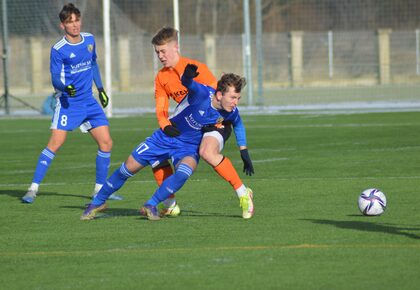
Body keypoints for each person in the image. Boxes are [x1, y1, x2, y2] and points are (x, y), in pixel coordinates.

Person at [81, 64, 254, 221]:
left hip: (188, 148)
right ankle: (97, 202)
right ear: (219, 94)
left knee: (184, 172)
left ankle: (152, 204)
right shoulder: (202, 94)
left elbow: (237, 123)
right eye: (233, 97)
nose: (235, 102)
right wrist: (187, 75)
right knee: (127, 169)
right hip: (165, 138)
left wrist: (243, 150)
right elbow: (188, 83)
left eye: (238, 98)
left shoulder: (229, 110)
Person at [22, 3, 121, 203]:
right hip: (69, 103)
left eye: (77, 20)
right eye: (70, 22)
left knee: (106, 142)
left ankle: (99, 191)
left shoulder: (90, 40)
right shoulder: (59, 49)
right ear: (62, 26)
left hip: (90, 103)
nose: (74, 25)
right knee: (55, 144)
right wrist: (65, 87)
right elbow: (55, 78)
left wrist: (100, 89)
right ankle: (32, 189)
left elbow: (93, 63)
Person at [150, 27, 254, 217]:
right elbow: (161, 107)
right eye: (157, 52)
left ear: (175, 48)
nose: (160, 56)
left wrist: (243, 149)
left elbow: (218, 98)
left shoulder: (197, 68)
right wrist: (164, 124)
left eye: (163, 51)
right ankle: (170, 204)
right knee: (156, 155)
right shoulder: (162, 77)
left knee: (206, 151)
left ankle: (242, 192)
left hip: (216, 122)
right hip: (191, 124)